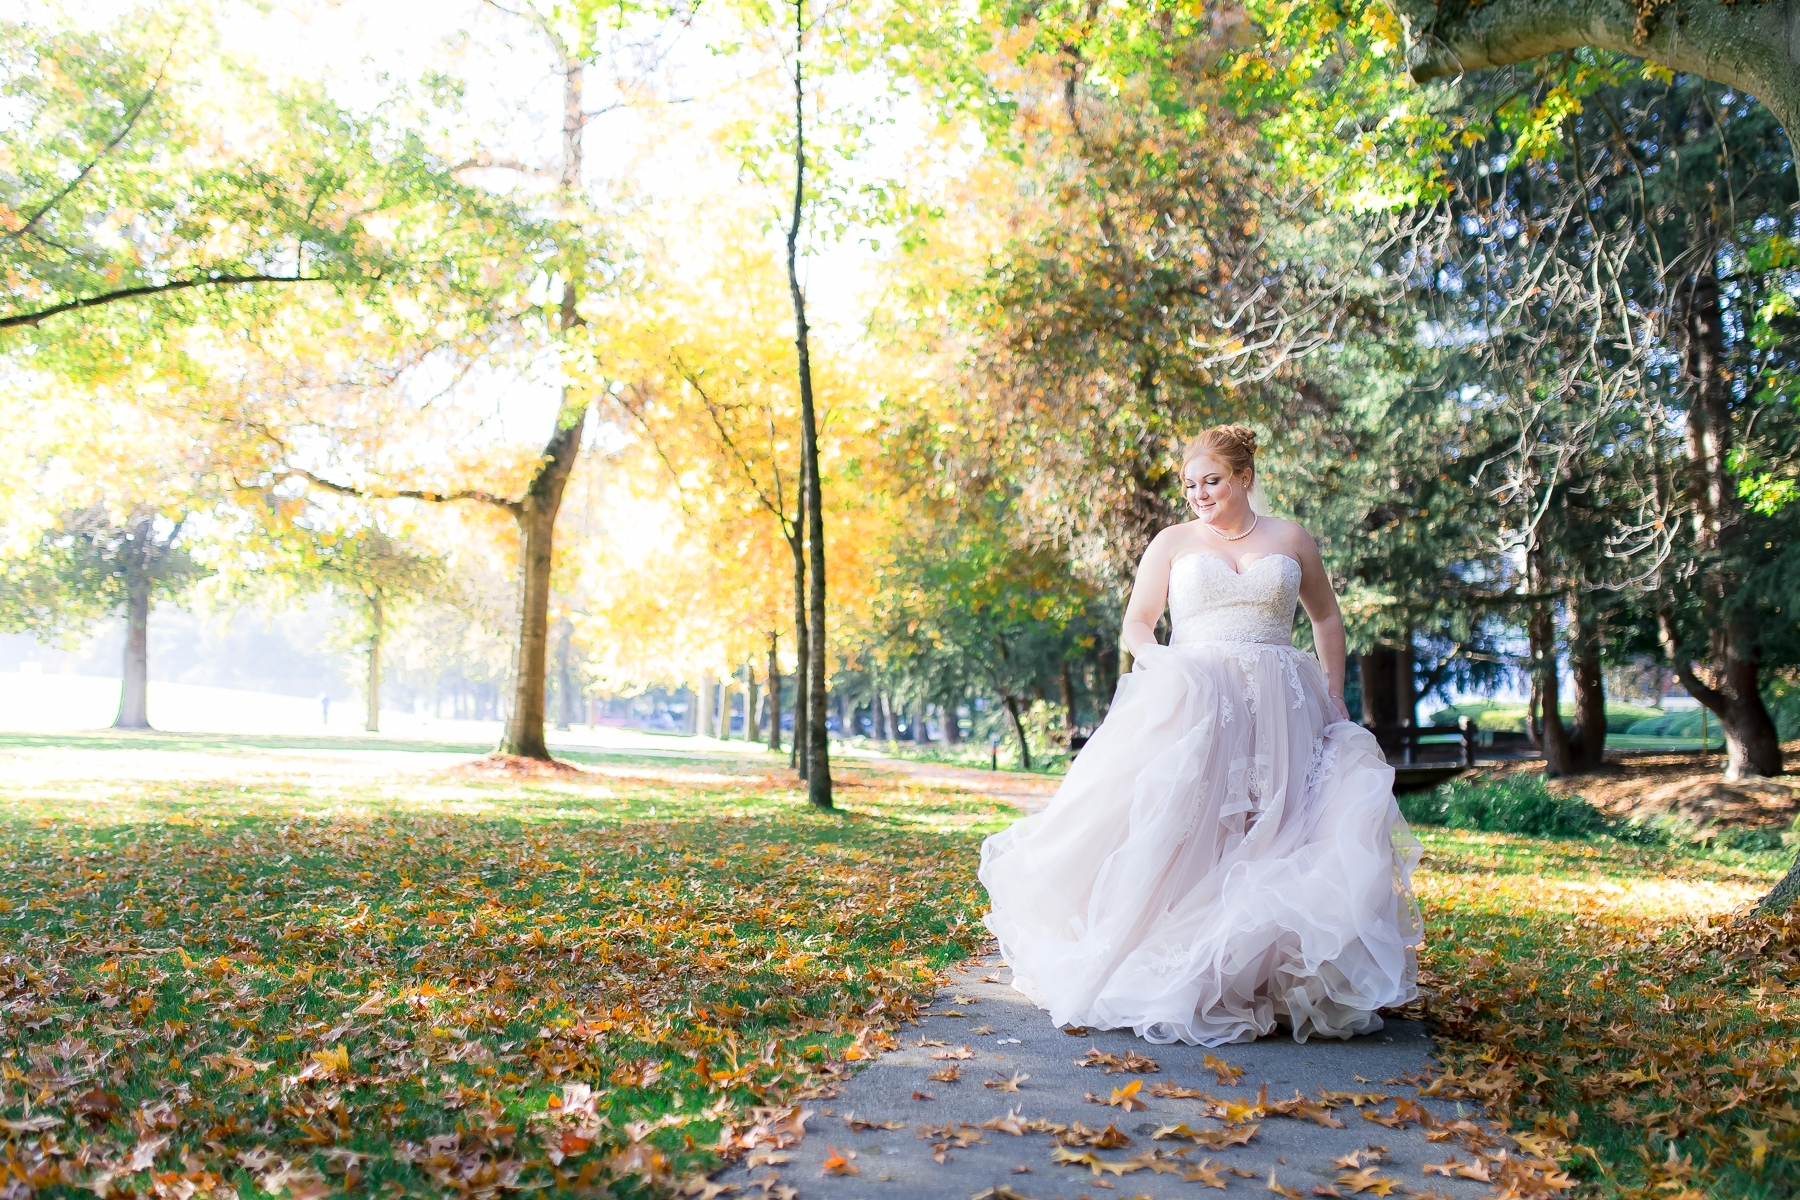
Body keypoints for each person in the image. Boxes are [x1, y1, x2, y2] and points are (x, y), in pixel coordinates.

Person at [979, 424, 1422, 1046]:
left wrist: (1331, 688)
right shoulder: (1172, 542)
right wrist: (1157, 660)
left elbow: (1326, 616)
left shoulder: (1290, 538)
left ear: (1244, 478)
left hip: (1283, 702)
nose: (1200, 494)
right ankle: (1180, 967)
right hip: (1199, 696)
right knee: (1194, 823)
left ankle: (1268, 979)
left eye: (1212, 480)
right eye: (1190, 484)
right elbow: (1138, 620)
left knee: (1277, 824)